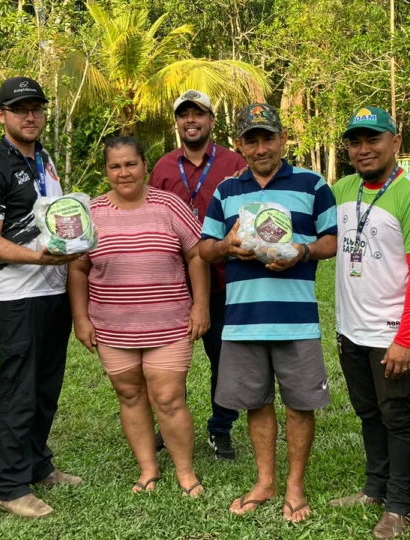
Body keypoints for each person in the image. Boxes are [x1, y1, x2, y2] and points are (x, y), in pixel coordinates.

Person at [198, 103, 338, 523]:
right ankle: (265, 481)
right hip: (242, 318)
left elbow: (331, 240)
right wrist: (227, 247)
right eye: (251, 139)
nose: (261, 147)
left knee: (299, 404)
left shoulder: (313, 185)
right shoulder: (226, 190)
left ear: (282, 139)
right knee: (256, 403)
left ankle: (294, 486)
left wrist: (303, 250)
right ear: (239, 144)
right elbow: (205, 248)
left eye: (268, 137)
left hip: (296, 318)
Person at [68, 136, 210, 498]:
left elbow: (196, 255)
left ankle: (185, 472)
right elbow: (79, 269)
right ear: (106, 171)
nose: (123, 172)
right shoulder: (92, 212)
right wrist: (81, 319)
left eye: (130, 164)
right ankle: (148, 470)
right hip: (112, 326)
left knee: (169, 398)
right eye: (115, 166)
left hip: (169, 323)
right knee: (129, 395)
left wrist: (200, 305)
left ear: (145, 165)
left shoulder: (170, 205)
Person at [0, 77, 82, 519]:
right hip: (17, 296)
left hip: (53, 289)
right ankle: (11, 486)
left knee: (46, 385)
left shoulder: (47, 159)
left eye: (36, 107)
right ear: (2, 116)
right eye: (20, 109)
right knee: (18, 389)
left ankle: (38, 465)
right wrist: (41, 258)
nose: (30, 116)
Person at [329, 107, 410, 539]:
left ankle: (398, 505)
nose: (363, 149)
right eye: (355, 142)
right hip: (350, 328)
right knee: (367, 412)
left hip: (393, 334)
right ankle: (374, 489)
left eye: (373, 139)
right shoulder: (343, 189)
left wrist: (406, 340)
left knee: (397, 415)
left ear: (395, 142)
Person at [148, 90, 248, 460]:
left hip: (225, 280)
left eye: (199, 114)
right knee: (167, 362)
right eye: (184, 115)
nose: (191, 121)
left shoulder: (235, 162)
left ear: (211, 120)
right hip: (172, 284)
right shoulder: (161, 167)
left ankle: (220, 428)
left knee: (225, 359)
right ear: (177, 122)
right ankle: (169, 423)